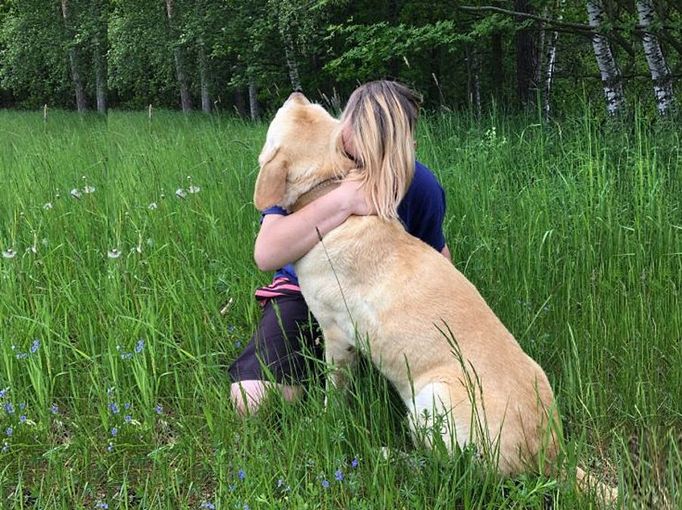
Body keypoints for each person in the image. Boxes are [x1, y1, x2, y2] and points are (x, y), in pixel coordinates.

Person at [228, 80, 451, 415]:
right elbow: (267, 253)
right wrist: (345, 201)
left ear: (408, 148)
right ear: (340, 125)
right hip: (302, 293)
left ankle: (342, 361)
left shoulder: (419, 185)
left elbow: (439, 261)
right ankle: (319, 363)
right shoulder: (310, 158)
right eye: (353, 137)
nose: (359, 157)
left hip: (377, 302)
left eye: (380, 145)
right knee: (253, 401)